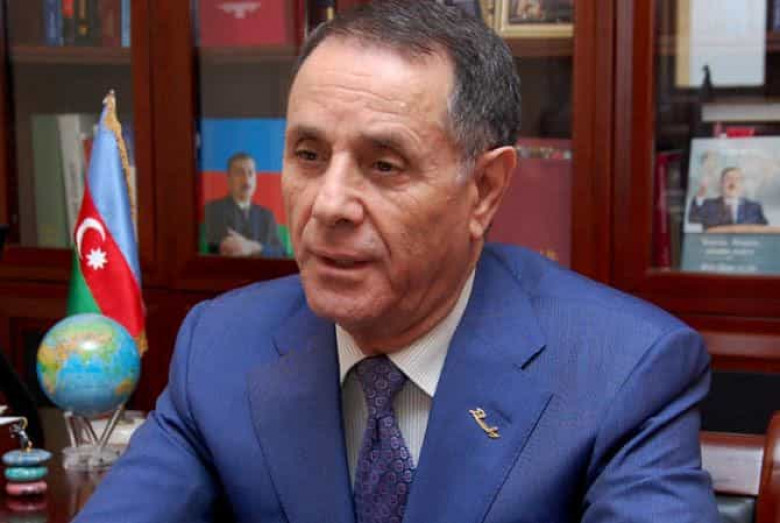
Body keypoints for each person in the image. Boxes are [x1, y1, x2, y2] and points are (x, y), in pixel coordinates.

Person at [74, 2, 719, 522]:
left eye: (384, 165)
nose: (329, 204)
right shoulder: (220, 349)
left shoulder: (620, 371)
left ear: (484, 191)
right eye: (308, 155)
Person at [203, 152, 286, 257]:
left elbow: (281, 252)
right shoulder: (214, 210)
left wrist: (255, 247)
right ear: (228, 179)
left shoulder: (266, 216)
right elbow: (213, 249)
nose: (246, 179)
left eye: (250, 173)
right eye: (239, 173)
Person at [688, 166, 769, 230]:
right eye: (728, 178)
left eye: (737, 179)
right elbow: (693, 219)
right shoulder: (708, 205)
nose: (732, 182)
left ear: (742, 185)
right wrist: (700, 194)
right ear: (721, 183)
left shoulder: (754, 207)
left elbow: (764, 229)